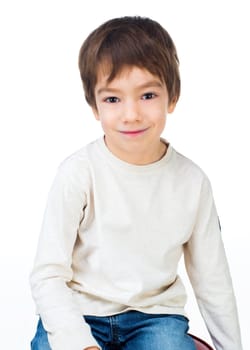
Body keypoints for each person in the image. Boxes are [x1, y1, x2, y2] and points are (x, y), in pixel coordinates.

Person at [30, 16, 242, 350]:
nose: (131, 114)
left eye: (147, 95)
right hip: (80, 312)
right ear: (94, 106)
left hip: (154, 318)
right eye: (113, 99)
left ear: (172, 97)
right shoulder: (78, 173)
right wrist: (79, 343)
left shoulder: (192, 182)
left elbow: (212, 279)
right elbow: (47, 274)